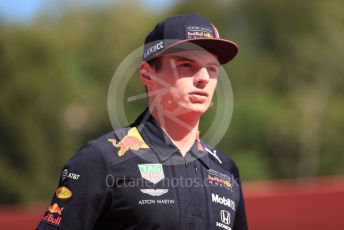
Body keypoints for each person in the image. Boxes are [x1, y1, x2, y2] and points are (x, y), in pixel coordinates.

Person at [37, 13, 248, 230]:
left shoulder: (226, 170)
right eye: (186, 65)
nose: (203, 78)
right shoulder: (101, 159)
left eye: (212, 69)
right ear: (148, 74)